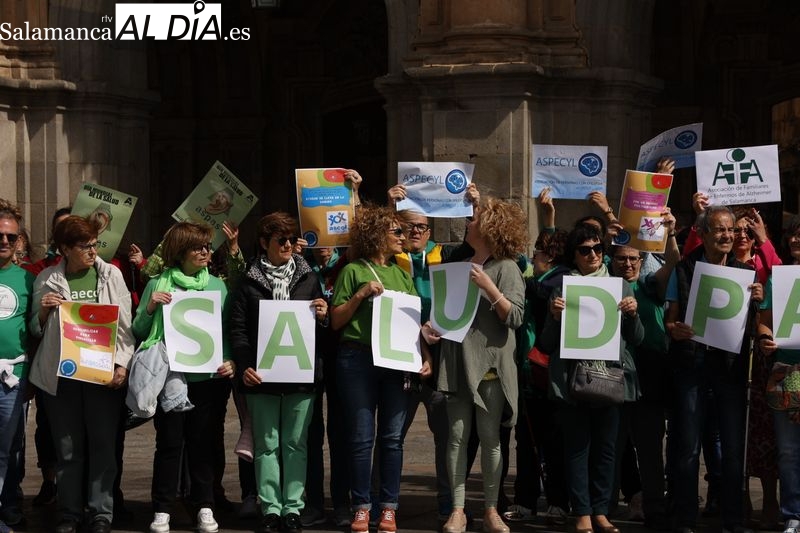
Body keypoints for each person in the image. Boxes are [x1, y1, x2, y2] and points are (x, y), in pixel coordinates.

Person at [28, 215, 134, 533]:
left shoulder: (111, 275)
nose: (92, 251)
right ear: (64, 248)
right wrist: (45, 311)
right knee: (68, 449)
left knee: (103, 446)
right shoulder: (47, 278)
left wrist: (122, 364)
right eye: (84, 246)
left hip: (101, 377)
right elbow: (35, 328)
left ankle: (101, 512)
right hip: (62, 379)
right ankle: (69, 512)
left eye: (94, 244)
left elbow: (125, 328)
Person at [330, 205, 432, 533]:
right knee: (361, 438)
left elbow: (413, 322)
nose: (403, 237)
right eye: (396, 232)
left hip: (396, 361)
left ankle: (388, 507)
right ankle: (361, 506)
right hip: (357, 358)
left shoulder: (402, 275)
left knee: (391, 439)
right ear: (377, 236)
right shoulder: (352, 271)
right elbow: (336, 320)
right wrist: (360, 295)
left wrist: (425, 354)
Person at [428, 197, 527, 533]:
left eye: (473, 219)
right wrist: (433, 328)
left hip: (490, 367)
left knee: (490, 438)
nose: (467, 223)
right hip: (456, 363)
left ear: (488, 228)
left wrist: (489, 287)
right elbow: (448, 314)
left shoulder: (508, 267)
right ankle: (457, 510)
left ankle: (490, 509)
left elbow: (514, 316)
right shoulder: (460, 262)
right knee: (456, 438)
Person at [538, 223, 643, 533]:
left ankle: (601, 511)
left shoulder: (620, 286)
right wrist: (556, 318)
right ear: (575, 255)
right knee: (577, 448)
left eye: (598, 248)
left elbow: (637, 339)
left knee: (607, 450)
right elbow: (545, 343)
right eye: (586, 250)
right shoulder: (564, 287)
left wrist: (633, 314)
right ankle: (582, 512)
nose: (594, 254)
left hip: (609, 379)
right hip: (573, 382)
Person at [131, 221, 235, 533]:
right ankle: (162, 507)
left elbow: (225, 328)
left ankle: (204, 505)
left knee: (203, 444)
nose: (205, 251)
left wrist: (229, 358)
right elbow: (138, 330)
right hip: (171, 379)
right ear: (180, 252)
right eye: (197, 247)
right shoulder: (158, 284)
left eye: (206, 246)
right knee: (170, 444)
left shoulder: (217, 286)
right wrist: (150, 307)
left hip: (208, 379)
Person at [665, 205, 763, 533]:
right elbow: (671, 318)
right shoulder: (684, 269)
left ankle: (734, 521)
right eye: (719, 230)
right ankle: (685, 519)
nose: (727, 236)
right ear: (703, 233)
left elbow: (752, 325)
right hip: (691, 368)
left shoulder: (744, 273)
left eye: (731, 230)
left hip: (729, 371)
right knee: (688, 448)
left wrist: (757, 301)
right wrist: (674, 329)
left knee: (734, 450)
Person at [229, 212, 329, 533]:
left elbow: (321, 327)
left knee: (296, 444)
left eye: (290, 239)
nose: (288, 245)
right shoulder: (248, 280)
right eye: (280, 240)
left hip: (300, 375)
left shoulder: (309, 277)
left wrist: (323, 313)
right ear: (263, 243)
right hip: (261, 376)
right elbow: (239, 329)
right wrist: (245, 366)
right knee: (267, 444)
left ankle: (293, 509)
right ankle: (271, 508)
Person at [607, 208, 678, 530]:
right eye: (622, 258)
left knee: (650, 447)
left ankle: (655, 508)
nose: (629, 264)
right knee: (613, 445)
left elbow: (673, 263)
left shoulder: (650, 285)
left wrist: (671, 234)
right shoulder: (602, 287)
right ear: (612, 260)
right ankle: (603, 508)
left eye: (634, 259)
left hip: (650, 375)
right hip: (613, 374)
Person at [504, 228, 571, 525]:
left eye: (537, 253)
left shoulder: (561, 279)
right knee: (526, 438)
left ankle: (558, 501)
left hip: (550, 371)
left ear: (550, 255)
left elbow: (541, 293)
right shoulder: (542, 277)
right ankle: (525, 500)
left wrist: (523, 278)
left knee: (554, 440)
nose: (533, 258)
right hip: (529, 369)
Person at [757, 214, 800, 533]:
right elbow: (765, 320)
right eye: (793, 235)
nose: (796, 240)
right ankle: (793, 514)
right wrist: (763, 338)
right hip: (786, 371)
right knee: (787, 449)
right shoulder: (779, 278)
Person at [0, 200, 34, 533]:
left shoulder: (27, 280)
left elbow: (36, 331)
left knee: (11, 448)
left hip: (13, 378)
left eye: (11, 237)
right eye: (0, 235)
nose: (5, 242)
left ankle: (9, 504)